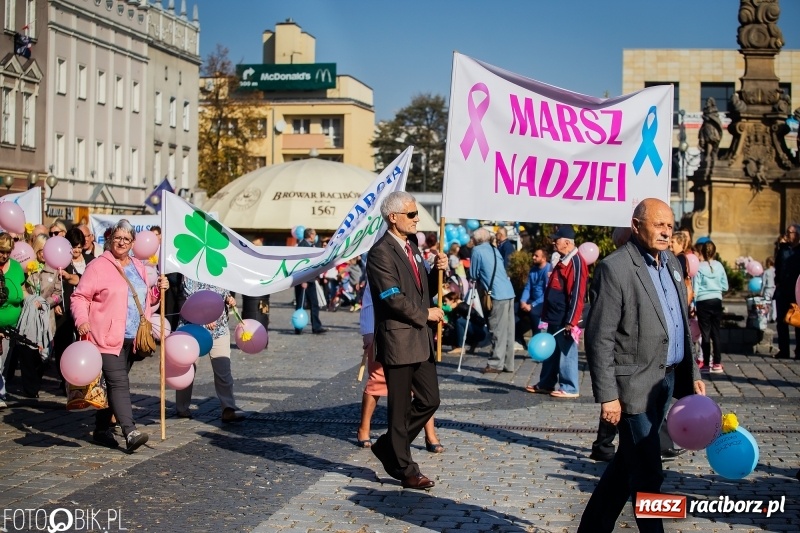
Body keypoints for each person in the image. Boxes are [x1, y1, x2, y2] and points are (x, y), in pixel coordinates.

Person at [578, 198, 705, 533]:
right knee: (649, 471)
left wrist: (692, 376)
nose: (666, 231)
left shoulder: (674, 265)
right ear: (636, 226)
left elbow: (679, 323)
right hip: (633, 387)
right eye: (658, 224)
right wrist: (608, 396)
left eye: (669, 225)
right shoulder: (616, 267)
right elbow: (599, 337)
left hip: (666, 381)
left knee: (626, 464)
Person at [365, 191, 447, 490]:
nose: (417, 219)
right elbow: (392, 299)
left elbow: (421, 292)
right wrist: (426, 314)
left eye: (416, 214)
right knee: (399, 410)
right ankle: (404, 468)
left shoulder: (412, 246)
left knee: (430, 400)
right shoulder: (380, 253)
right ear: (393, 217)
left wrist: (437, 272)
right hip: (398, 341)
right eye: (412, 214)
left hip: (420, 340)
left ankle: (388, 446)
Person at [71, 219, 169, 453]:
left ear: (133, 243)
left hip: (132, 337)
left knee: (113, 386)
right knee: (119, 382)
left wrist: (157, 291)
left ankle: (102, 429)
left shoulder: (138, 265)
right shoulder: (98, 265)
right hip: (104, 336)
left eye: (126, 239)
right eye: (118, 238)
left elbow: (144, 299)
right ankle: (130, 431)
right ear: (110, 240)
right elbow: (80, 297)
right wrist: (82, 321)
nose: (122, 242)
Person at [357, 282, 443, 453]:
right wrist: (367, 330)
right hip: (385, 330)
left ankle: (430, 434)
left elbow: (426, 289)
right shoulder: (382, 256)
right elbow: (370, 298)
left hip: (415, 328)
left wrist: (438, 266)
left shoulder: (419, 258)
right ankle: (364, 429)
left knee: (423, 390)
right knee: (377, 379)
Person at [175, 278, 245, 422]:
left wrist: (228, 298)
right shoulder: (190, 271)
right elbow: (190, 297)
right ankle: (182, 407)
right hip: (194, 329)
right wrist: (205, 315)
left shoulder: (219, 269)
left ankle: (228, 408)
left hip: (219, 329)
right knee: (188, 369)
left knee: (224, 371)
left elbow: (222, 291)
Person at [529, 226, 587, 398]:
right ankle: (546, 383)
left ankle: (570, 387)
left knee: (567, 351)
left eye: (557, 239)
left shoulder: (576, 261)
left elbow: (577, 293)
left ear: (567, 242)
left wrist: (571, 320)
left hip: (564, 316)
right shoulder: (563, 260)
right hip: (555, 314)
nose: (554, 242)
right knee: (552, 350)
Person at [16, 234, 63, 398]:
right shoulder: (28, 268)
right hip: (29, 317)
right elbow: (21, 288)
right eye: (40, 250)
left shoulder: (54, 269)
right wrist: (29, 299)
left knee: (44, 354)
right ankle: (31, 389)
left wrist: (46, 303)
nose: (43, 253)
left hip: (46, 318)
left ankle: (36, 379)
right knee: (28, 352)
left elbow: (59, 293)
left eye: (46, 250)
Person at [470, 228, 516, 374]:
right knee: (509, 330)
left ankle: (496, 363)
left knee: (497, 329)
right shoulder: (494, 248)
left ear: (477, 240)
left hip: (496, 294)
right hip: (508, 291)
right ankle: (508, 364)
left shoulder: (477, 251)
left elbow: (473, 273)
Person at [51, 227, 88, 393]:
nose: (77, 250)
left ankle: (83, 375)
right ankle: (64, 376)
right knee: (63, 343)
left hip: (85, 309)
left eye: (80, 247)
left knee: (83, 342)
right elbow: (53, 285)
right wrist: (55, 302)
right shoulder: (62, 261)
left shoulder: (90, 260)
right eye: (74, 247)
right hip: (65, 308)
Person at [692, 240, 729, 373]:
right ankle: (717, 363)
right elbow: (725, 285)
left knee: (705, 333)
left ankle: (706, 363)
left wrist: (693, 303)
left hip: (703, 301)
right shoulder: (719, 266)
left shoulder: (699, 267)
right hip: (716, 300)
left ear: (702, 252)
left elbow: (695, 287)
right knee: (716, 333)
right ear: (714, 252)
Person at [0, 233, 25, 409]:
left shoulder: (16, 267)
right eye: (1, 251)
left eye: (7, 252)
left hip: (11, 326)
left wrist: (35, 301)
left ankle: (1, 390)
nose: (4, 255)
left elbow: (23, 292)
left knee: (4, 362)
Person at [518, 247, 551, 355]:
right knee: (515, 310)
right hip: (531, 300)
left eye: (536, 256)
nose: (533, 257)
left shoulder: (548, 270)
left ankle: (537, 343)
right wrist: (523, 301)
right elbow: (528, 287)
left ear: (544, 258)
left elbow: (547, 292)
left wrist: (532, 305)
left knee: (534, 313)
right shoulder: (533, 270)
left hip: (543, 301)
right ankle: (519, 339)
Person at [294, 228, 326, 334]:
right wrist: (303, 280)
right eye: (314, 234)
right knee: (301, 303)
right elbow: (301, 265)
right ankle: (298, 327)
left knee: (314, 304)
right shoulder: (303, 246)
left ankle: (316, 326)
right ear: (310, 235)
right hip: (304, 281)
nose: (315, 236)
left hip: (311, 280)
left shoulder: (311, 245)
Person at [774, 224, 800, 359]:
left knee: (798, 321)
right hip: (783, 290)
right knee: (781, 322)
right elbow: (777, 266)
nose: (786, 235)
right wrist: (777, 282)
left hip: (797, 291)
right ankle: (784, 350)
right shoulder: (783, 249)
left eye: (789, 232)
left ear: (797, 235)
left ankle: (799, 350)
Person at [241, 237, 270, 332]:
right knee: (258, 315)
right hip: (253, 295)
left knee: (263, 315)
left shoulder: (264, 260)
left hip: (263, 295)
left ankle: (262, 336)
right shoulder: (249, 260)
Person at [762, 256, 776, 322]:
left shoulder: (766, 272)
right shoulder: (775, 271)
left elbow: (763, 283)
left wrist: (761, 291)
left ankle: (766, 317)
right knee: (774, 304)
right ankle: (774, 317)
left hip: (767, 289)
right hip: (774, 288)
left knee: (766, 304)